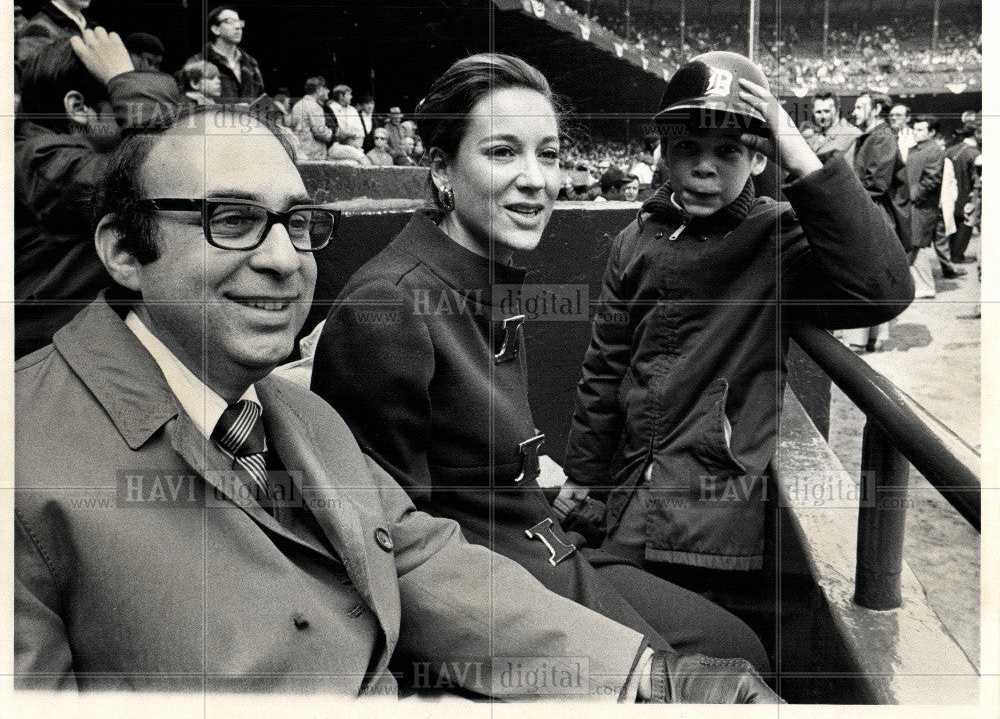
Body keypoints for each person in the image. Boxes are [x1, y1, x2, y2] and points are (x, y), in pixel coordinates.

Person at [14, 104, 777, 704]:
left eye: (299, 224)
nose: (284, 261)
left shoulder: (298, 416)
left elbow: (425, 559)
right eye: (233, 220)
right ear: (122, 250)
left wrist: (646, 678)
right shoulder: (22, 450)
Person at [310, 53, 773, 682]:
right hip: (499, 590)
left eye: (549, 155)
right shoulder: (389, 305)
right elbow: (392, 555)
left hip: (545, 541)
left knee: (739, 643)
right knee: (723, 666)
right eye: (503, 153)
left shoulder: (479, 269)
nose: (537, 180)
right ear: (442, 169)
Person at [554, 53, 914, 627]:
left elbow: (883, 290)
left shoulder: (776, 233)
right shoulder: (636, 236)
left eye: (727, 151)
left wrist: (794, 143)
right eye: (686, 150)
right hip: (627, 493)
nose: (704, 169)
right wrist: (584, 476)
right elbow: (605, 367)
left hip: (710, 513)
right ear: (663, 153)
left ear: (757, 157)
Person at [15, 27, 183, 359]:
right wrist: (126, 77)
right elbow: (167, 171)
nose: (128, 122)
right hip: (45, 365)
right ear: (79, 108)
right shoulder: (42, 163)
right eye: (121, 105)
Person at [842, 91, 912, 349]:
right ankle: (874, 337)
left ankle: (860, 340)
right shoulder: (871, 137)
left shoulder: (882, 138)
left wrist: (841, 190)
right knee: (870, 276)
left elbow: (876, 183)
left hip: (878, 213)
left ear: (876, 109)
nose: (855, 112)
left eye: (861, 107)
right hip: (872, 210)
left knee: (864, 275)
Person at [906, 115, 963, 298]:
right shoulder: (916, 149)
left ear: (932, 132)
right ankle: (918, 286)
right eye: (915, 129)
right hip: (913, 205)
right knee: (913, 245)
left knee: (918, 245)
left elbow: (931, 180)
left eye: (921, 129)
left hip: (922, 207)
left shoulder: (934, 151)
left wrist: (913, 197)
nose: (916, 132)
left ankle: (926, 287)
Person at [185, 6, 266, 103]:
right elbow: (187, 103)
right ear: (216, 29)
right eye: (229, 22)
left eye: (239, 22)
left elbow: (260, 98)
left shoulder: (250, 63)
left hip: (246, 118)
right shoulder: (197, 62)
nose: (238, 27)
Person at [945, 124, 982, 262]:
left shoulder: (950, 150)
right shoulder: (975, 154)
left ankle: (951, 253)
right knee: (966, 224)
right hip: (968, 194)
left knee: (953, 222)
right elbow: (977, 178)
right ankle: (957, 255)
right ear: (976, 134)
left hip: (951, 193)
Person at [803, 90, 859, 159]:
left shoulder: (852, 135)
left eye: (827, 111)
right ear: (813, 112)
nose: (823, 116)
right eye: (818, 112)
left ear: (837, 111)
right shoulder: (812, 135)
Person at [289, 76, 333, 160]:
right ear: (318, 89)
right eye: (326, 88)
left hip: (300, 152)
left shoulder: (297, 105)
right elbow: (320, 132)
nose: (328, 91)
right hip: (314, 154)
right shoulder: (315, 107)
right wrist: (332, 134)